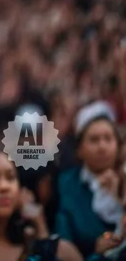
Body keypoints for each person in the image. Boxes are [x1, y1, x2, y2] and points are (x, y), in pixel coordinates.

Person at [56, 102, 125, 257]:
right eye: (94, 140)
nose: (102, 147)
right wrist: (97, 252)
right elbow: (63, 243)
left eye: (108, 139)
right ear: (79, 149)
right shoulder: (68, 185)